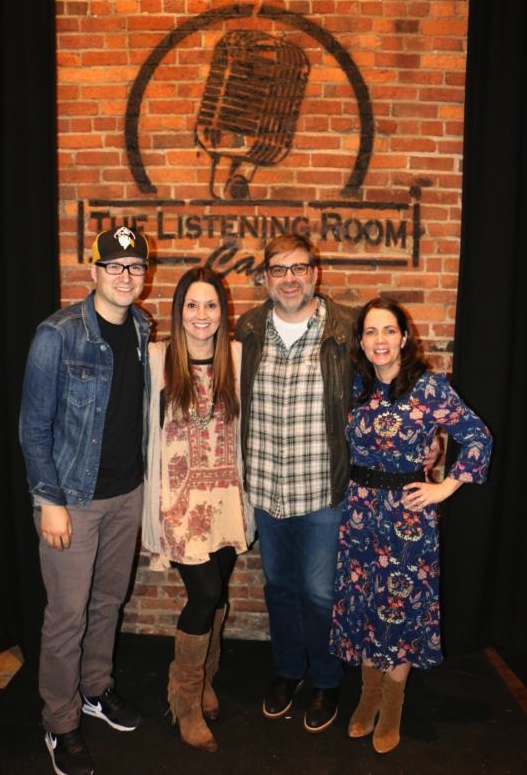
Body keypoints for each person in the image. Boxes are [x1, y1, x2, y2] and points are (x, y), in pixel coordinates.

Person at [329, 297, 493, 754]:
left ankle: (393, 703)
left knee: (398, 610)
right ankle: (368, 696)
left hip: (407, 518)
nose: (379, 340)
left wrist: (444, 487)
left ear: (404, 337)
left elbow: (477, 436)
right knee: (363, 604)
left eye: (388, 331)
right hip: (360, 512)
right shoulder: (357, 385)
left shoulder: (429, 387)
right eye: (370, 332)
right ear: (361, 341)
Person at [19, 226, 152, 775]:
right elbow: (33, 427)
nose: (126, 276)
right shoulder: (58, 333)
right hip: (71, 498)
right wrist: (48, 499)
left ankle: (96, 689)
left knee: (108, 602)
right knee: (67, 616)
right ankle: (60, 720)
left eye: (136, 267)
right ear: (94, 272)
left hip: (126, 493)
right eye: (115, 266)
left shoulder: (143, 328)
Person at [234, 233, 355, 734]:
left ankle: (326, 679)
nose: (289, 278)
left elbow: (387, 391)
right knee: (280, 588)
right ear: (265, 276)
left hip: (323, 490)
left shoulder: (345, 330)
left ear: (315, 273)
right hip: (266, 488)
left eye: (299, 268)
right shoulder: (247, 329)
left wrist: (427, 443)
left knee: (320, 593)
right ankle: (288, 671)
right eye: (278, 269)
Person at [142, 266, 255, 753]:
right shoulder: (158, 359)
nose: (201, 314)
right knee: (204, 593)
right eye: (192, 305)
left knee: (220, 591)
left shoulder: (236, 357)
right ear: (179, 310)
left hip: (227, 497)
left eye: (210, 305)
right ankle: (184, 698)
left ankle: (207, 678)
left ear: (222, 312)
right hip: (180, 502)